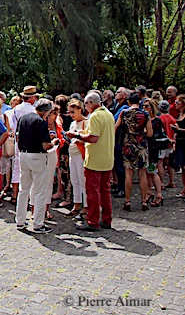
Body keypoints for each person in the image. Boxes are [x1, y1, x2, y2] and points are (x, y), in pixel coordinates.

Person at [66, 92, 114, 231]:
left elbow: (93, 138)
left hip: (95, 158)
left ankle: (93, 221)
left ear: (90, 103)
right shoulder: (108, 114)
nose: (85, 107)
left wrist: (76, 134)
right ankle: (106, 219)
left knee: (92, 191)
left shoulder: (95, 116)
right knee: (105, 191)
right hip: (107, 157)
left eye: (86, 104)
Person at [15, 98, 60, 234]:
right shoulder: (41, 122)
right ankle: (38, 223)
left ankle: (20, 221)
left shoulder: (23, 118)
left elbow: (17, 136)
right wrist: (54, 142)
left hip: (23, 154)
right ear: (46, 111)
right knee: (40, 191)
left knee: (23, 190)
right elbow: (45, 145)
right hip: (37, 156)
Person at [114, 94, 152, 212]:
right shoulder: (145, 114)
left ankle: (128, 200)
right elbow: (150, 134)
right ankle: (144, 200)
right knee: (142, 173)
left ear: (129, 102)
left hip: (128, 144)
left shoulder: (124, 113)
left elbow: (115, 127)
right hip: (141, 145)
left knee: (128, 173)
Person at [10, 86, 41, 207]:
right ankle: (29, 197)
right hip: (31, 142)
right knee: (31, 170)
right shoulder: (33, 110)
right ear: (32, 97)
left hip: (19, 140)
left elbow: (13, 127)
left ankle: (15, 194)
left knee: (17, 167)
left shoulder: (16, 109)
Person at [65, 99, 88, 220]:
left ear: (80, 110)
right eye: (69, 112)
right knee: (74, 180)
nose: (71, 115)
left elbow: (88, 139)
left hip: (80, 154)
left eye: (73, 112)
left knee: (82, 180)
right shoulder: (73, 123)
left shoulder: (86, 122)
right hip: (72, 153)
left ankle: (85, 206)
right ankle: (77, 203)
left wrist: (76, 138)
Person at [144, 99, 165, 207]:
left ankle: (159, 194)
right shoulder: (146, 119)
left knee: (152, 171)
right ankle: (149, 191)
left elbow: (152, 134)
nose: (144, 108)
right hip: (147, 148)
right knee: (148, 171)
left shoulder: (156, 121)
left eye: (147, 106)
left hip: (153, 148)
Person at [158, 100, 177, 189]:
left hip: (162, 143)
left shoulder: (160, 119)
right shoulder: (172, 118)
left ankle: (161, 183)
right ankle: (172, 181)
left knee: (160, 162)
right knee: (169, 163)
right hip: (171, 142)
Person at [170, 94, 185, 198]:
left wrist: (179, 130)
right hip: (180, 142)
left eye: (177, 102)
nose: (175, 104)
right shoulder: (180, 114)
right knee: (183, 167)